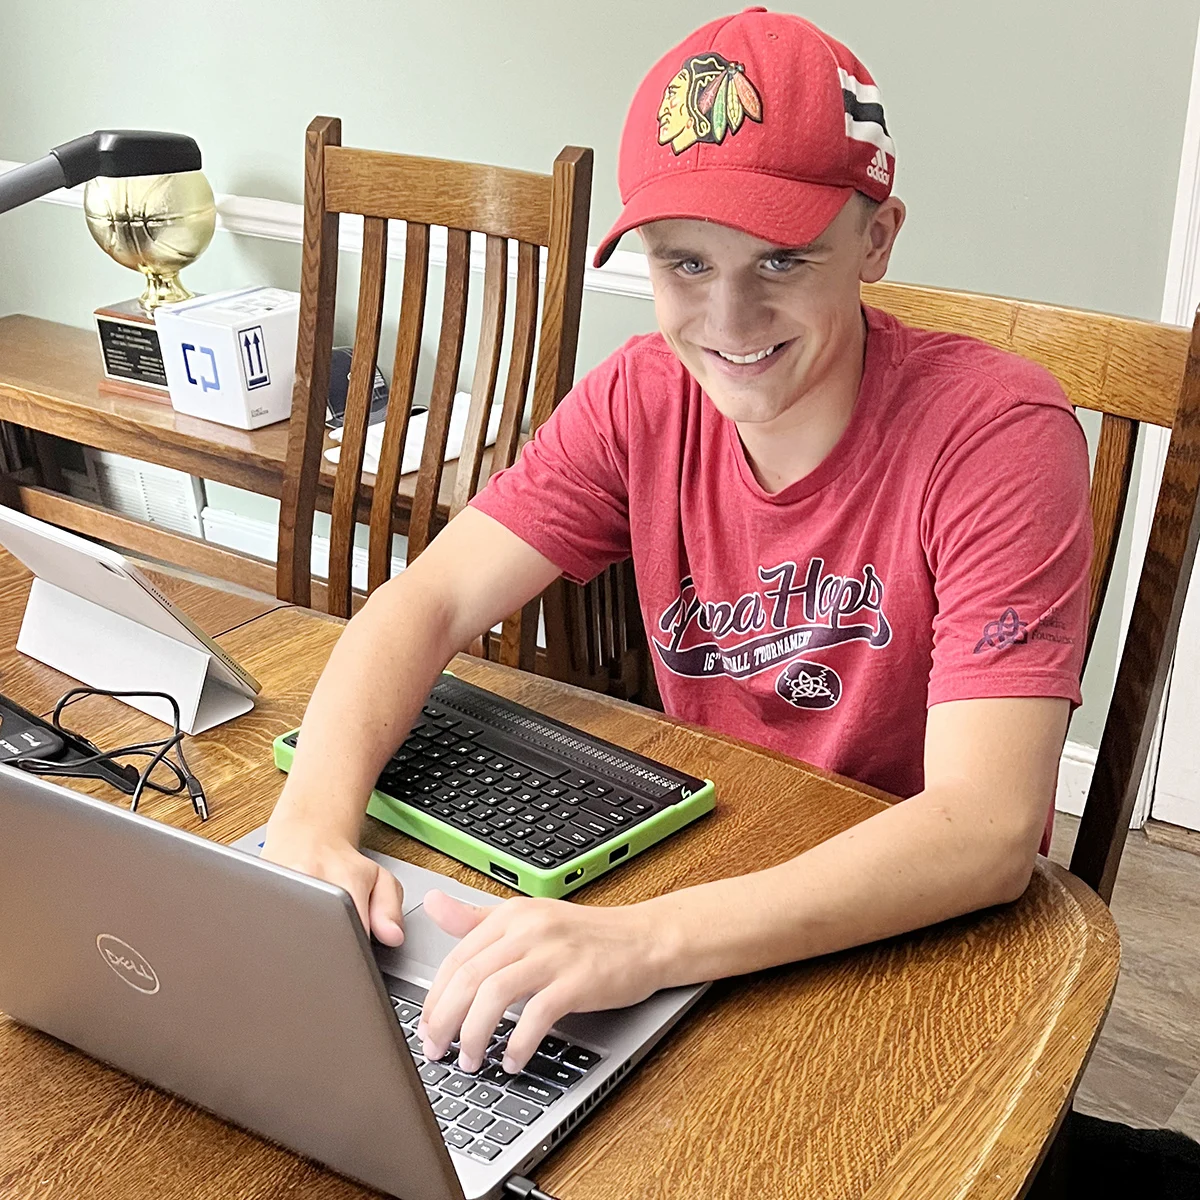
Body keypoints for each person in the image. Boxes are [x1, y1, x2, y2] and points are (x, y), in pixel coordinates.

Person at [262, 8, 1092, 1081]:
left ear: (876, 239)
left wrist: (646, 942)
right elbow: (425, 602)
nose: (730, 319)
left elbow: (984, 829)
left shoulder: (997, 437)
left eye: (784, 259)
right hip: (710, 863)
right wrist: (314, 822)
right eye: (685, 263)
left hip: (912, 935)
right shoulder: (641, 399)